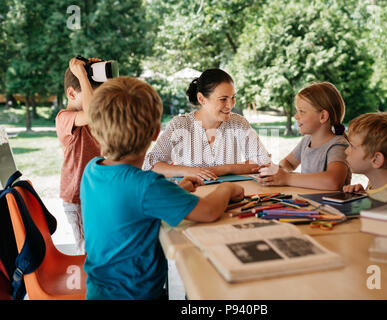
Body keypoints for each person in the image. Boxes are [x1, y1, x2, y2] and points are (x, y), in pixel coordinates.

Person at [80, 76, 244, 300]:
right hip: (137, 295)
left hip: (98, 292)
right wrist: (226, 189)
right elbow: (208, 212)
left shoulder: (92, 170)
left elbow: (135, 206)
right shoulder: (147, 186)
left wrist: (181, 189)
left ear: (96, 130)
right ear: (156, 132)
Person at [143, 68, 271, 181]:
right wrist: (189, 171)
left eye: (233, 97)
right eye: (223, 99)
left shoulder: (238, 123)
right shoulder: (180, 125)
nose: (230, 104)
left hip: (230, 197)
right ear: (202, 99)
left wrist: (223, 169)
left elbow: (263, 163)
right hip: (191, 197)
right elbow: (151, 165)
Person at [255, 82, 351, 190]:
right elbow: (289, 162)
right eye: (297, 111)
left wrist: (287, 178)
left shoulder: (338, 145)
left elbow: (333, 181)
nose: (296, 116)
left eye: (302, 111)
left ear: (323, 116)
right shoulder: (307, 140)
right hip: (308, 203)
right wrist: (278, 171)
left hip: (330, 206)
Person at [55, 57, 102, 254]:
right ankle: (89, 285)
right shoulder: (64, 118)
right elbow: (92, 114)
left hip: (96, 193)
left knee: (100, 247)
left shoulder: (92, 114)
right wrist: (82, 75)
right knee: (88, 251)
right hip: (78, 199)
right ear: (72, 93)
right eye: (91, 94)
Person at [343, 112, 387, 202]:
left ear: (376, 160)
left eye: (352, 146)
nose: (346, 151)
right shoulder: (381, 185)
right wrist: (363, 195)